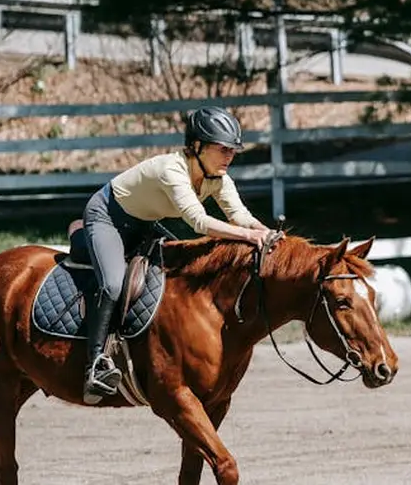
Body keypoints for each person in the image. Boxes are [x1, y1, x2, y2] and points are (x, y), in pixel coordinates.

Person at [67, 106, 278, 405]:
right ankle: (96, 364)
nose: (229, 157)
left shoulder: (217, 177)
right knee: (113, 283)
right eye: (222, 150)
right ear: (196, 147)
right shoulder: (172, 170)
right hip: (106, 217)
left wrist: (267, 234)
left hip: (141, 223)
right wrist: (248, 236)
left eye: (232, 151)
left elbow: (239, 215)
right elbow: (199, 222)